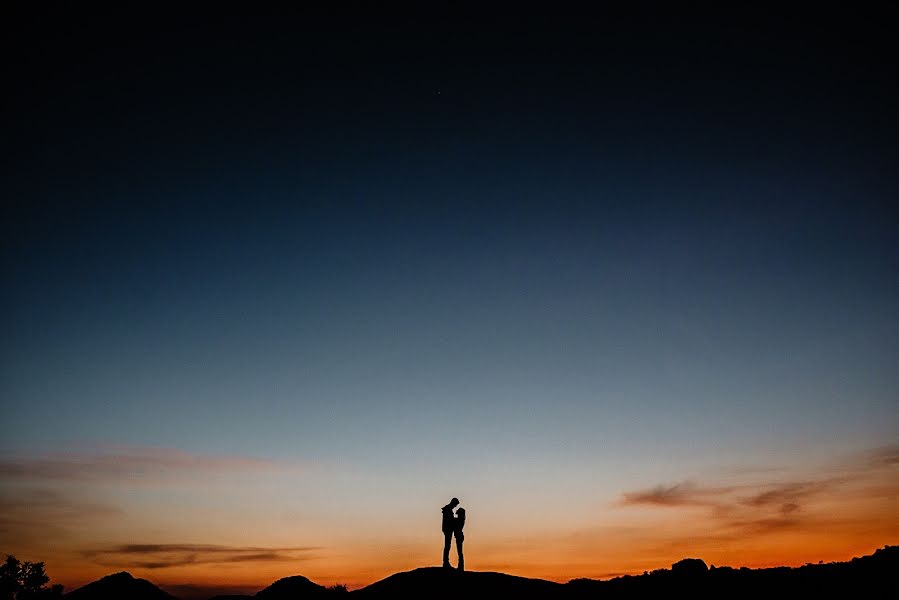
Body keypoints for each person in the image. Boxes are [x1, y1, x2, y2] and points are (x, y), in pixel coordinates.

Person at [441, 498, 459, 568]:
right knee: (447, 546)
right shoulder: (447, 510)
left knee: (448, 545)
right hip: (447, 530)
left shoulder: (448, 509)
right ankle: (445, 562)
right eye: (455, 505)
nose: (455, 506)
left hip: (448, 529)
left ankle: (446, 561)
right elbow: (448, 520)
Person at [453, 507, 466, 572]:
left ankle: (461, 567)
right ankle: (460, 567)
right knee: (460, 552)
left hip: (459, 536)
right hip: (460, 536)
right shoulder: (461, 519)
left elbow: (454, 521)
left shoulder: (459, 520)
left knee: (460, 552)